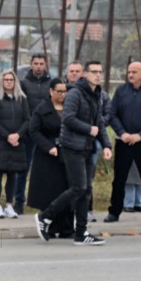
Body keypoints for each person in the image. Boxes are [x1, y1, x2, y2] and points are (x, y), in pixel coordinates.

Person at [35, 61, 112, 246]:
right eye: (94, 71)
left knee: (86, 191)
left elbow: (99, 123)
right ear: (85, 74)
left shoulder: (97, 94)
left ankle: (81, 233)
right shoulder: (75, 93)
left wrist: (107, 144)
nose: (97, 75)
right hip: (72, 147)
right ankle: (45, 216)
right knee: (79, 188)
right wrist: (88, 129)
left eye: (100, 71)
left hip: (87, 147)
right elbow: (68, 119)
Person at [103, 61, 141, 226]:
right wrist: (123, 133)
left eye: (134, 72)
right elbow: (112, 115)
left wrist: (140, 135)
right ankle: (114, 212)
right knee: (119, 179)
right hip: (123, 141)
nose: (130, 75)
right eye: (129, 71)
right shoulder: (121, 91)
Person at [27, 78, 74, 238]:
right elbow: (34, 131)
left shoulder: (69, 107)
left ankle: (67, 227)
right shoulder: (43, 109)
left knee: (66, 189)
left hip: (67, 154)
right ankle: (50, 226)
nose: (62, 94)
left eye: (64, 91)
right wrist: (49, 147)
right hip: (47, 156)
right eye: (59, 91)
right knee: (50, 192)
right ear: (51, 91)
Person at [0, 70, 30, 218]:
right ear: (1, 81)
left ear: (15, 82)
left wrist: (18, 135)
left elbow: (27, 119)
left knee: (13, 174)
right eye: (6, 79)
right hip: (1, 141)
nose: (8, 82)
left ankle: (9, 205)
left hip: (17, 142)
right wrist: (8, 136)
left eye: (11, 80)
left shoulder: (21, 99)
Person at [16, 53, 52, 214]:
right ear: (31, 65)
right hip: (29, 132)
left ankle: (45, 203)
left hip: (46, 133)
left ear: (45, 65)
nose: (38, 66)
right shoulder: (24, 84)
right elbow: (22, 108)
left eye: (41, 63)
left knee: (46, 170)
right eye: (36, 63)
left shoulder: (51, 84)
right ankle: (19, 202)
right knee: (23, 169)